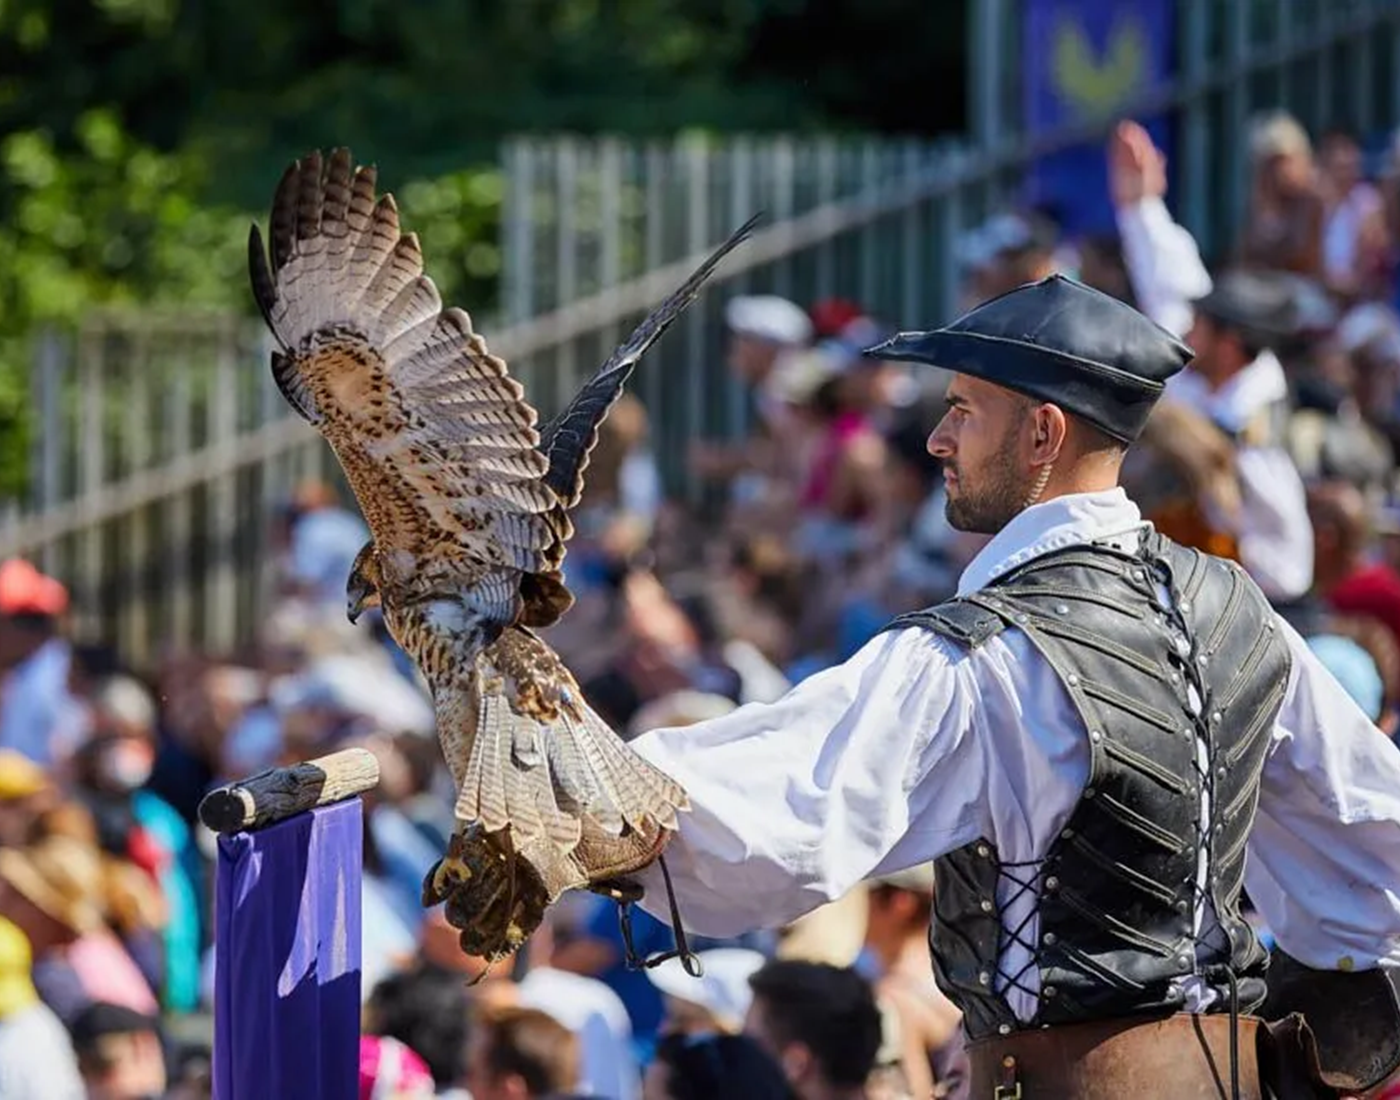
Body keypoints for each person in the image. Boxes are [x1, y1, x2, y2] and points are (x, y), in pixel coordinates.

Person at [619, 274, 1400, 1095]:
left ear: (1042, 433)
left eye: (963, 410)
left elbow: (788, 809)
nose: (938, 440)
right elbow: (1378, 838)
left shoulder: (988, 653)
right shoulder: (1244, 616)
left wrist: (570, 793)